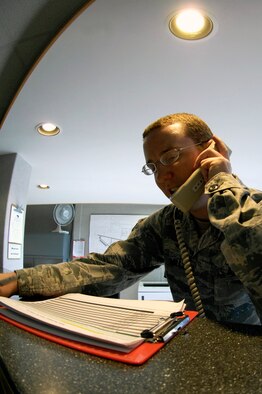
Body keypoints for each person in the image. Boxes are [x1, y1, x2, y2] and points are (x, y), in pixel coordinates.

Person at [0, 113, 261, 325]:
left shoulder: (254, 208)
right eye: (153, 168)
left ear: (210, 150)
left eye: (170, 157)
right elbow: (107, 268)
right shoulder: (164, 225)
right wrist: (18, 280)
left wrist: (220, 182)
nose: (162, 177)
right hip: (192, 350)